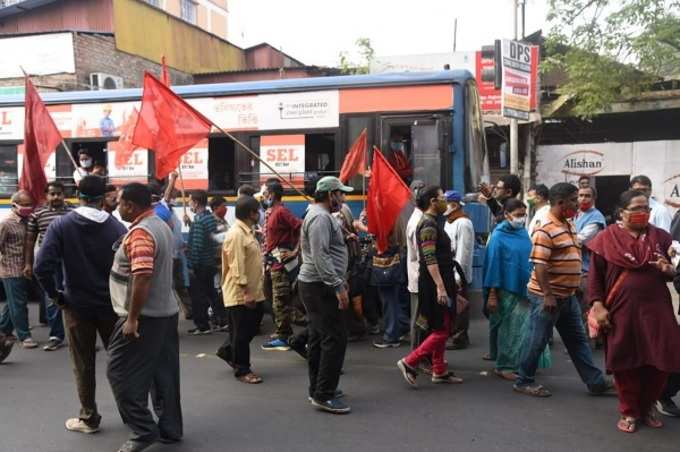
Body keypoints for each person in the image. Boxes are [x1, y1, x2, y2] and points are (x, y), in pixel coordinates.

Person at [34, 176, 127, 434]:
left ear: (77, 194)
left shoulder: (61, 225)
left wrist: (56, 295)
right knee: (120, 361)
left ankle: (88, 418)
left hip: (76, 306)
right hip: (112, 306)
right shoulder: (116, 227)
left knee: (83, 364)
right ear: (103, 197)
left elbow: (42, 267)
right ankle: (133, 414)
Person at [587, 190, 680, 433]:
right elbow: (595, 279)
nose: (642, 214)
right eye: (636, 209)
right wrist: (598, 306)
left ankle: (648, 406)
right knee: (626, 362)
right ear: (621, 212)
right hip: (621, 310)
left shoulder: (662, 237)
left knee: (661, 360)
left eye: (646, 209)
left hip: (657, 309)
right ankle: (629, 411)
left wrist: (668, 269)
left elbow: (674, 271)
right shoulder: (606, 238)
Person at [514, 182, 611, 397]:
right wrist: (548, 295)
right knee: (537, 340)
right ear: (561, 202)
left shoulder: (568, 224)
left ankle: (595, 382)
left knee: (577, 340)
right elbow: (539, 265)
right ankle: (523, 380)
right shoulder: (545, 229)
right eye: (574, 200)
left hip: (567, 296)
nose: (578, 204)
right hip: (547, 297)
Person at [107, 182, 182, 452]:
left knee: (119, 373)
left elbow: (142, 275)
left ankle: (143, 430)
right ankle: (170, 429)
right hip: (166, 312)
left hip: (144, 317)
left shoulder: (141, 233)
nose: (117, 207)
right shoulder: (161, 224)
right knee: (164, 375)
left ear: (130, 205)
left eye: (119, 202)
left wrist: (132, 319)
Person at [397, 185, 463, 387]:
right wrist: (441, 288)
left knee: (442, 324)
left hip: (441, 281)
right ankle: (410, 362)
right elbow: (429, 258)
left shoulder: (434, 222)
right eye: (442, 197)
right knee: (441, 329)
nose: (446, 201)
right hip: (434, 283)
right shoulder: (427, 225)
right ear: (433, 202)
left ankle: (439, 370)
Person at [298, 176, 353, 414]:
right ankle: (324, 394)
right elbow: (321, 257)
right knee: (334, 339)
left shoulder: (322, 216)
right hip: (320, 287)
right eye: (340, 194)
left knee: (320, 339)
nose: (343, 198)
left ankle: (318, 388)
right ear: (330, 195)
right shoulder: (320, 218)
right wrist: (337, 286)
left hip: (318, 285)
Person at [484, 199, 550, 380]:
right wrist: (491, 294)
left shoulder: (522, 233)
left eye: (523, 215)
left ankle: (522, 363)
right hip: (505, 289)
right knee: (509, 331)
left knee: (525, 329)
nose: (521, 219)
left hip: (525, 288)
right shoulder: (497, 236)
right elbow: (492, 265)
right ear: (506, 215)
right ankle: (504, 366)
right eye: (518, 215)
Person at [216, 195, 265, 384]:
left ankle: (228, 351)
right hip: (240, 293)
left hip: (253, 291)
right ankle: (242, 369)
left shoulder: (248, 231)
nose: (259, 214)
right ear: (250, 213)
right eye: (257, 211)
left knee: (249, 327)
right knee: (241, 334)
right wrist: (245, 292)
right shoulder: (236, 234)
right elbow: (236, 266)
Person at [24, 181, 72, 351]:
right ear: (46, 196)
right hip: (49, 263)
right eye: (52, 194)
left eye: (59, 193)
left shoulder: (73, 213)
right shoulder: (38, 215)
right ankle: (56, 336)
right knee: (53, 298)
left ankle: (77, 335)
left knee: (74, 297)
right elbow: (30, 241)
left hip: (70, 262)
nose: (56, 197)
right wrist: (29, 264)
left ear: (64, 194)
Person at [261, 179, 302, 352]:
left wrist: (295, 252)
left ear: (271, 194)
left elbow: (302, 227)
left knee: (280, 302)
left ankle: (284, 336)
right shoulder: (272, 212)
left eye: (265, 194)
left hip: (281, 266)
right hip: (272, 265)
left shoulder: (282, 212)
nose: (263, 197)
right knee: (275, 300)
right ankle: (281, 332)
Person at [0, 190, 38, 349]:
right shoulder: (7, 223)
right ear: (14, 204)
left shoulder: (28, 221)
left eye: (30, 204)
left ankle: (3, 330)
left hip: (25, 268)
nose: (27, 207)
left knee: (12, 303)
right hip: (10, 269)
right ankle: (25, 336)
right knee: (19, 304)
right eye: (24, 205)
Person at [443, 189, 475, 350]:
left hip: (458, 273)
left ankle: (459, 337)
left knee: (460, 306)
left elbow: (464, 252)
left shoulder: (463, 223)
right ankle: (453, 334)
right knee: (452, 306)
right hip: (449, 271)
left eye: (446, 202)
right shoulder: (449, 220)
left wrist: (458, 277)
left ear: (454, 205)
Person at [186, 190, 220, 335]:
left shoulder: (199, 221)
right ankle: (221, 320)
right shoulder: (210, 218)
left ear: (196, 202)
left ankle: (202, 325)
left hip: (200, 265)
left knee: (198, 296)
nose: (189, 204)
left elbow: (197, 246)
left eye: (190, 201)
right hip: (210, 262)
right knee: (211, 292)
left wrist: (192, 264)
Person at [574, 186, 606, 313]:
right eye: (581, 195)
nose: (583, 199)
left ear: (594, 198)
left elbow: (580, 239)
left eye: (587, 196)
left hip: (588, 271)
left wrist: (559, 239)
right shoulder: (576, 215)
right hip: (575, 269)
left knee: (587, 310)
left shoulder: (596, 217)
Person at [406, 180, 426, 349]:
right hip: (420, 277)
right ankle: (416, 356)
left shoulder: (419, 219)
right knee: (419, 318)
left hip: (419, 276)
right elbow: (421, 256)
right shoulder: (418, 222)